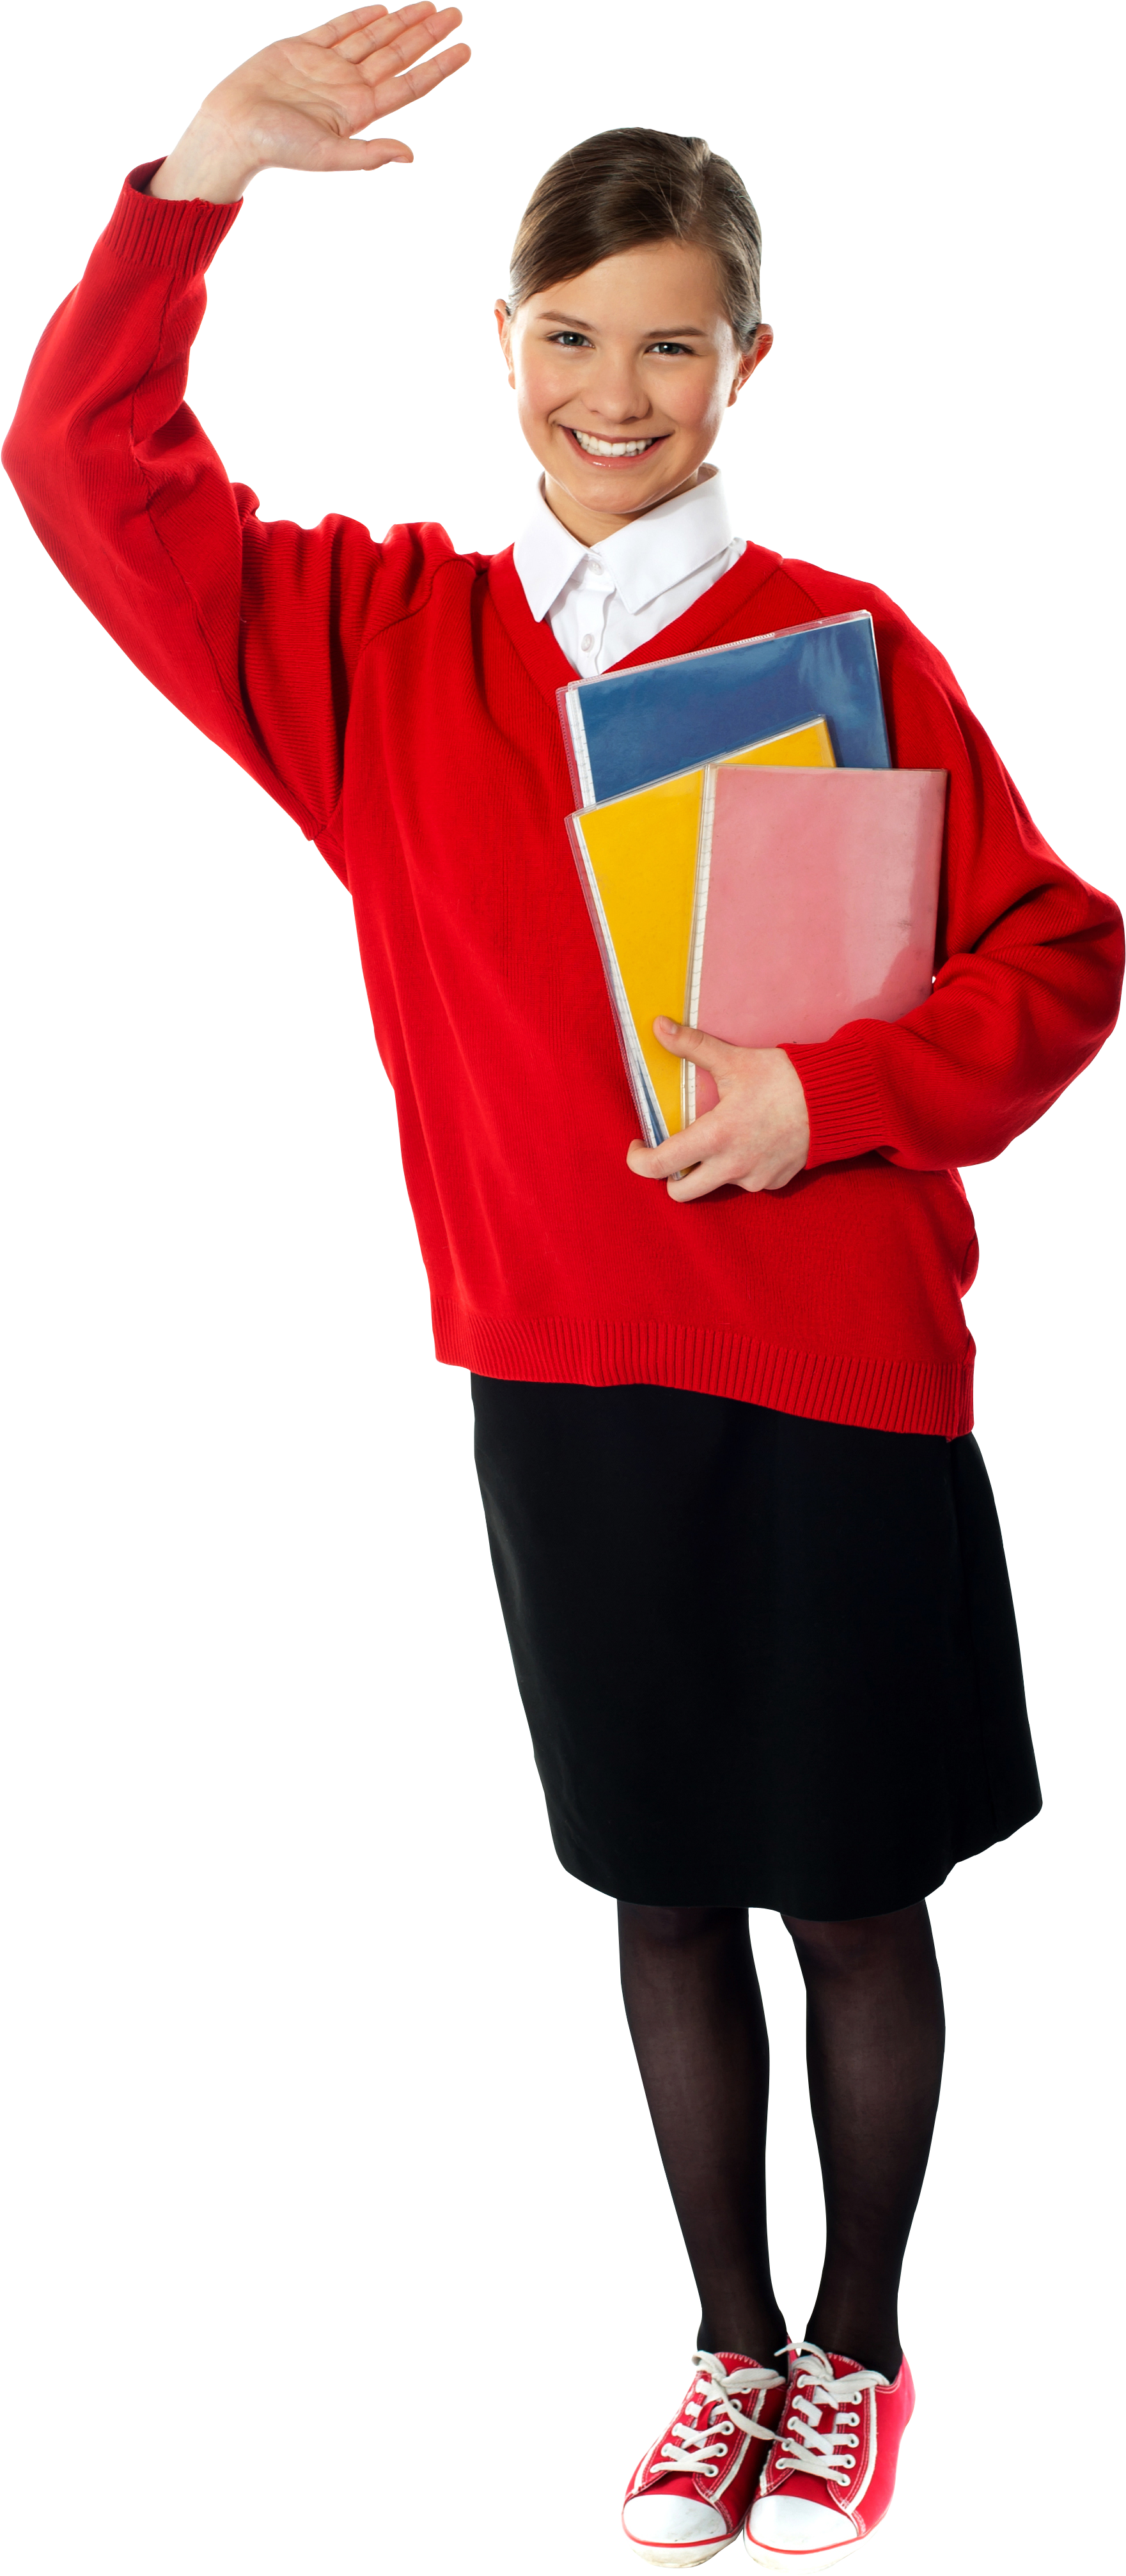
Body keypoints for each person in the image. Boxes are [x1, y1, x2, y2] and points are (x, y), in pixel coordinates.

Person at [5, 12, 1121, 2566]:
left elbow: (1056, 953)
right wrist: (195, 179)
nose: (611, 386)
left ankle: (855, 2356)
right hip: (555, 1372)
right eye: (563, 331)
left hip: (837, 1367)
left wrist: (817, 1102)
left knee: (845, 1893)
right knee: (652, 1889)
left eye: (666, 337)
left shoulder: (846, 641)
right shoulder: (371, 640)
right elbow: (85, 471)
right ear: (496, 346)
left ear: (742, 358)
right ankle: (720, 2352)